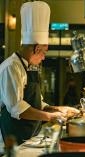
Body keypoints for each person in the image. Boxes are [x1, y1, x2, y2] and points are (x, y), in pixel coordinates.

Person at [0, 1, 79, 145]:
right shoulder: (11, 67)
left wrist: (59, 109)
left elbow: (37, 104)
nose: (43, 57)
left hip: (27, 137)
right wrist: (51, 117)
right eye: (44, 52)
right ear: (36, 49)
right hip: (9, 142)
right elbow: (18, 109)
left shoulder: (29, 67)